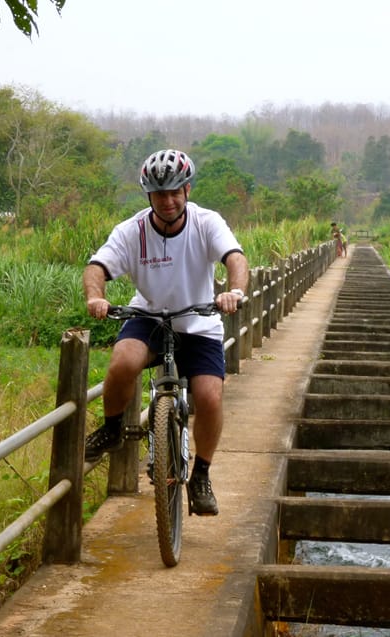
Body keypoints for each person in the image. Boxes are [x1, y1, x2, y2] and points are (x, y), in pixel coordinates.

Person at [82, 149, 249, 516]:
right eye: (160, 194)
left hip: (199, 321)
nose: (168, 201)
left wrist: (234, 292)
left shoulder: (207, 222)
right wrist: (96, 297)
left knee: (209, 397)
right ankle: (112, 429)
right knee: (122, 361)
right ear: (149, 196)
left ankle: (201, 474)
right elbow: (97, 266)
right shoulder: (131, 231)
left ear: (187, 190)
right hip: (150, 316)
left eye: (175, 191)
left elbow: (235, 258)